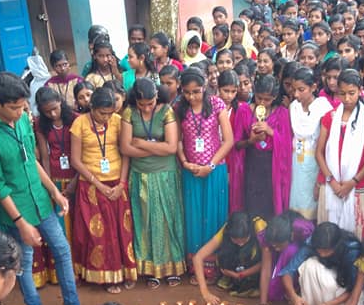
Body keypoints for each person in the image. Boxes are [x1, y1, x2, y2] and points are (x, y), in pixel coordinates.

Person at [0, 73, 90, 305]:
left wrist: (54, 192)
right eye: (14, 107)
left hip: (41, 201)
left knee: (62, 250)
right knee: (24, 264)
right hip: (17, 211)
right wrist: (21, 223)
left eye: (23, 106)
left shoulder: (24, 122)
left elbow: (32, 162)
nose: (20, 112)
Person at [68, 86, 138, 293]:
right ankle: (105, 277)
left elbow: (125, 153)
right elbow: (75, 160)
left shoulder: (118, 121)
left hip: (117, 183)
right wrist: (98, 184)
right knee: (98, 234)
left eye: (110, 113)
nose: (106, 117)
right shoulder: (79, 123)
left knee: (121, 232)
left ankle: (124, 272)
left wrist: (122, 184)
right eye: (102, 113)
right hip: (91, 185)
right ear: (91, 107)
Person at [119, 77, 186, 288]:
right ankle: (150, 269)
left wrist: (140, 143)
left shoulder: (166, 111)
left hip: (165, 175)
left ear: (157, 96)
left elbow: (172, 147)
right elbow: (125, 148)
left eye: (150, 103)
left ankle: (171, 267)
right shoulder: (129, 113)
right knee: (144, 221)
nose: (147, 108)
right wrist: (157, 147)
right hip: (140, 175)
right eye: (142, 105)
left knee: (168, 220)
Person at [176, 68, 234, 278]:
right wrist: (185, 162)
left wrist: (210, 166)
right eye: (187, 92)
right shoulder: (179, 107)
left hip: (214, 170)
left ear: (205, 87)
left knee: (213, 216)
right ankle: (196, 267)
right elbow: (178, 140)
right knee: (194, 216)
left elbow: (228, 140)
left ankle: (213, 267)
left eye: (196, 92)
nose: (191, 97)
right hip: (191, 171)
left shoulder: (217, 104)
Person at [314, 69, 364, 240]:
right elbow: (319, 153)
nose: (347, 99)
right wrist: (331, 180)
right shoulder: (330, 117)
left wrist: (353, 182)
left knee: (358, 236)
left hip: (357, 184)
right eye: (342, 94)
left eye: (351, 93)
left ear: (360, 91)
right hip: (331, 185)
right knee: (329, 237)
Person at [278, 221, 361, 305]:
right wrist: (293, 296)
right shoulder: (313, 243)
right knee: (309, 265)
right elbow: (288, 271)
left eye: (326, 251)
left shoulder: (351, 251)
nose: (322, 254)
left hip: (347, 286)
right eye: (319, 250)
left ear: (337, 245)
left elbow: (353, 290)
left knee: (328, 283)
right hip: (331, 276)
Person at [234, 74, 293, 220]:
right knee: (251, 205)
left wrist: (271, 132)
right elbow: (236, 144)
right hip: (251, 165)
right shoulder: (244, 110)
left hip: (272, 167)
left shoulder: (281, 113)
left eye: (267, 99)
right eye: (259, 97)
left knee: (269, 206)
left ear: (275, 97)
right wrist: (251, 141)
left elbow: (287, 145)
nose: (262, 102)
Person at [250, 210, 315, 305]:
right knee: (271, 294)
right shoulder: (270, 235)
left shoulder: (304, 229)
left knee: (290, 251)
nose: (276, 248)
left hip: (301, 254)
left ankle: (295, 288)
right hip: (285, 251)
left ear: (291, 236)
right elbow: (265, 271)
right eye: (273, 245)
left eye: (278, 246)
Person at [194, 211, 267, 305]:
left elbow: (267, 262)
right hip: (237, 269)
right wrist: (205, 293)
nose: (241, 244)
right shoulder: (227, 229)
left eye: (244, 240)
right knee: (226, 253)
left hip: (257, 268)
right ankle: (232, 279)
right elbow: (198, 257)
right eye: (236, 240)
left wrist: (240, 275)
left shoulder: (259, 227)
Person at [34, 87, 78, 239]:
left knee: (77, 220)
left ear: (60, 102)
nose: (52, 114)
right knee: (61, 221)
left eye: (55, 109)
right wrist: (49, 184)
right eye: (47, 112)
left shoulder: (75, 118)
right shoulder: (40, 124)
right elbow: (44, 156)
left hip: (76, 176)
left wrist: (76, 180)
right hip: (55, 176)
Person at [289, 66, 332, 221]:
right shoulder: (293, 106)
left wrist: (320, 179)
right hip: (296, 160)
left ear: (313, 87)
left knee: (311, 204)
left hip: (315, 162)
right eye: (294, 90)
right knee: (296, 198)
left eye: (301, 90)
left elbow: (327, 144)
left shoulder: (323, 108)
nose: (296, 94)